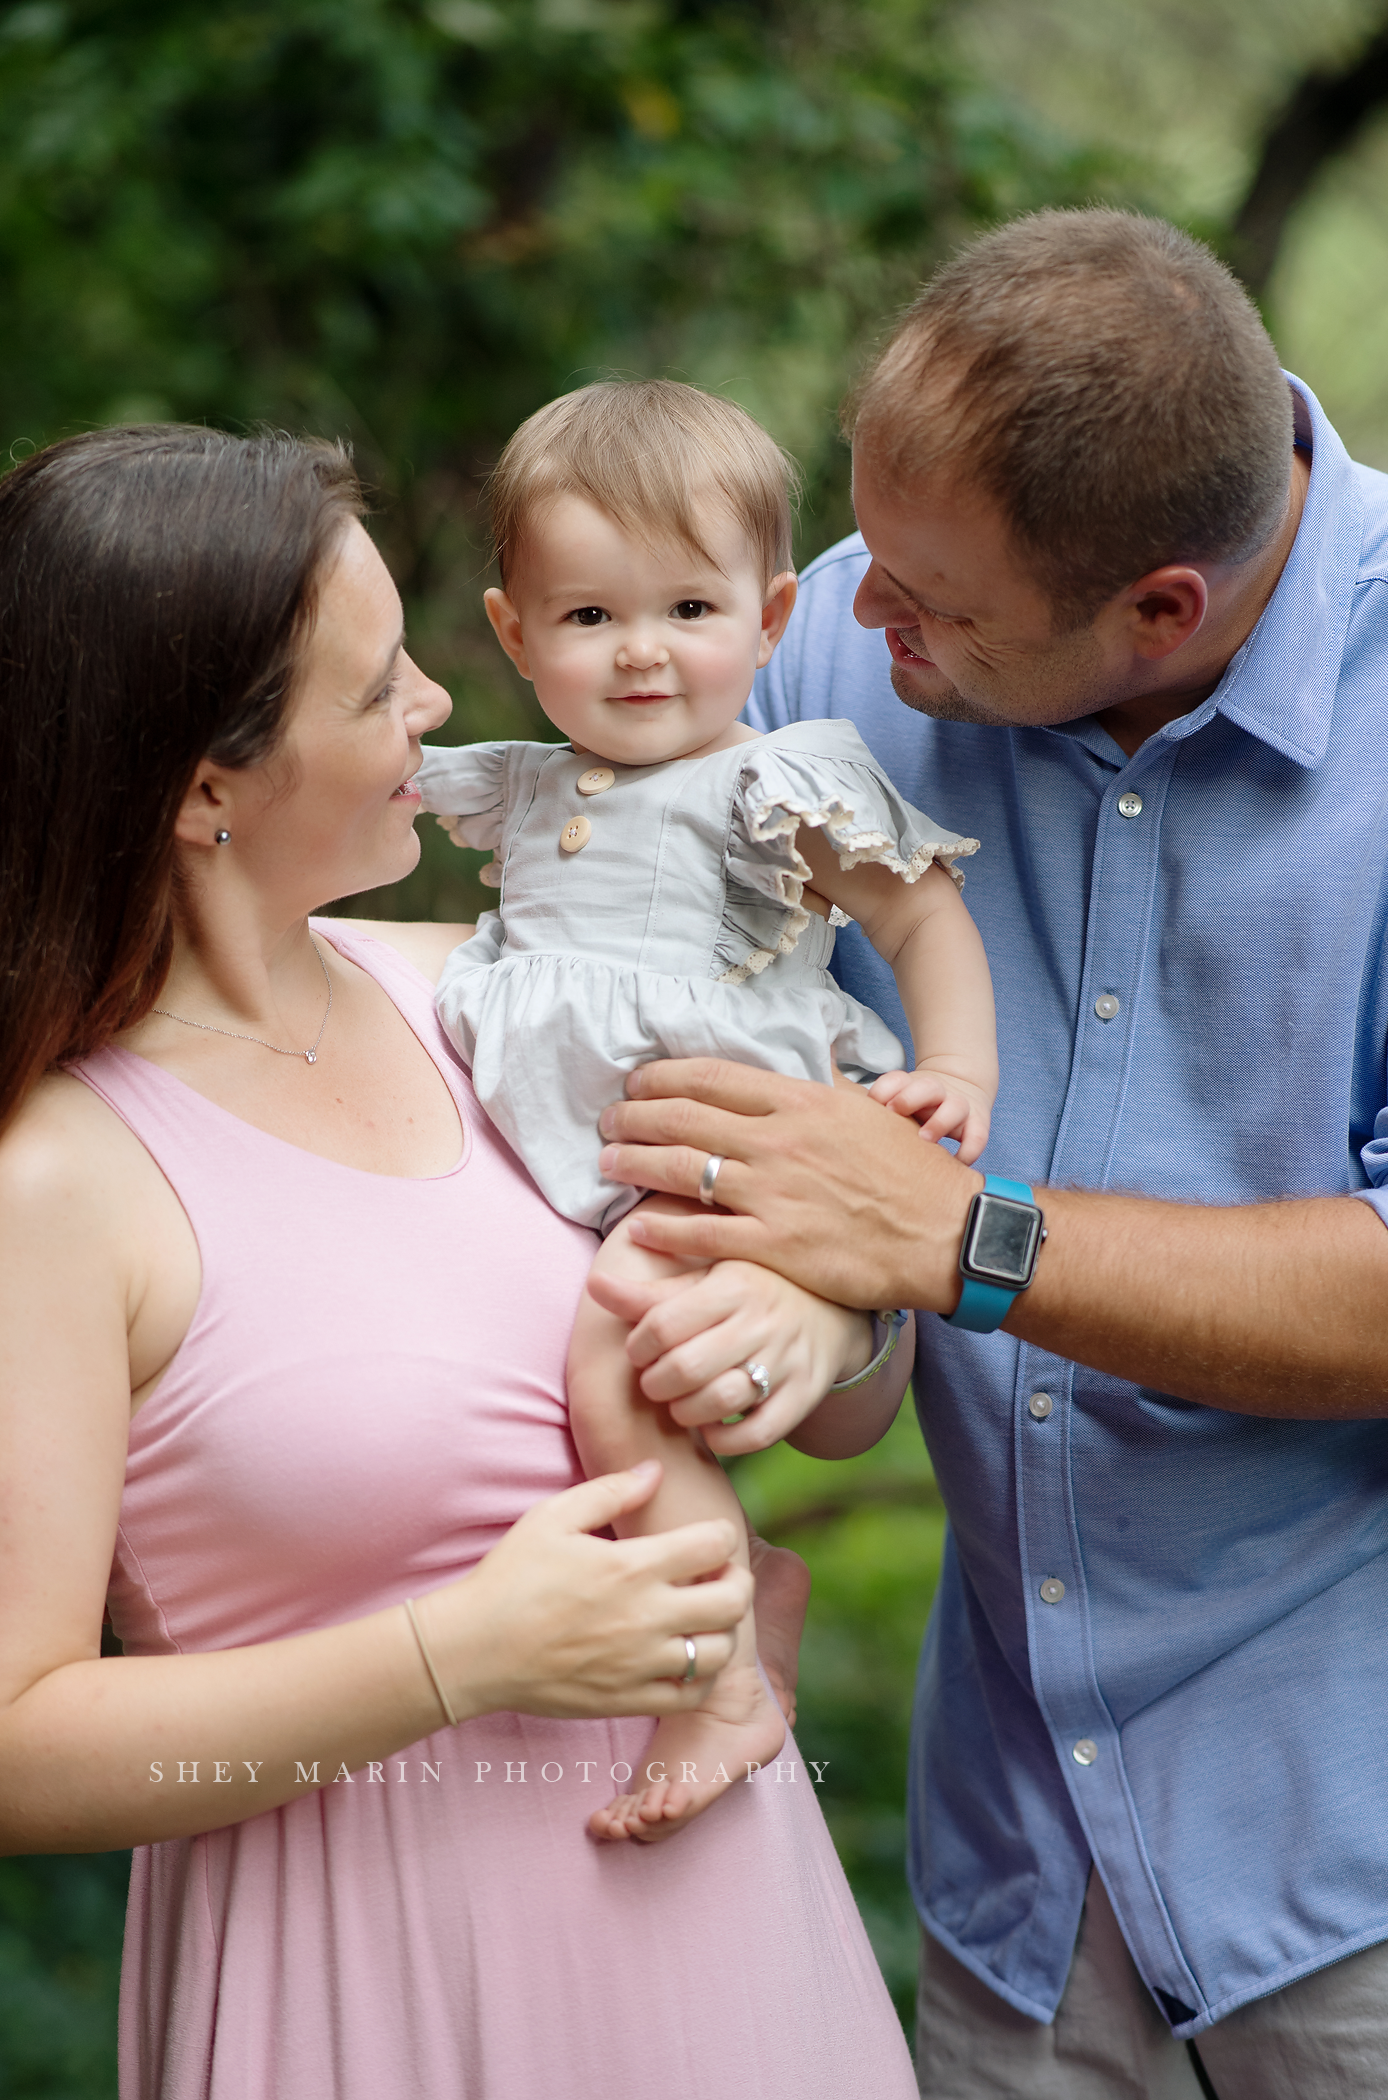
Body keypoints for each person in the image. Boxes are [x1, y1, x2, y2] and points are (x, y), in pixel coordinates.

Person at [588, 209, 1388, 2099]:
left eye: (933, 611)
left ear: (1160, 608)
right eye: (866, 556)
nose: (853, 624)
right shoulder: (843, 641)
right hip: (1013, 1867)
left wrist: (962, 1239)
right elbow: (629, 1000)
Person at [0, 424, 920, 2100]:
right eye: (375, 691)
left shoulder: (504, 997)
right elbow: (12, 1750)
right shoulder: (59, 1181)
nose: (437, 704)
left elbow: (854, 1410)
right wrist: (459, 1658)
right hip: (371, 1988)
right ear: (207, 787)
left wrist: (816, 1311)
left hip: (730, 1951)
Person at [416, 377, 996, 1842]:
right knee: (581, 1349)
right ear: (512, 633)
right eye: (591, 617)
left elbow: (926, 922)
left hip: (749, 1143)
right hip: (610, 1159)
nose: (642, 657)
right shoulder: (530, 788)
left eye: (689, 609)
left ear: (775, 614)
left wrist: (960, 1073)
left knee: (621, 1335)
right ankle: (737, 1572)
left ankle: (721, 1666)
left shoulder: (778, 783)